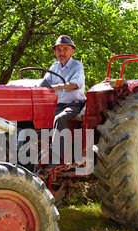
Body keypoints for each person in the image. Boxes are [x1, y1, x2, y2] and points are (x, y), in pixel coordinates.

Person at [45, 35, 86, 164]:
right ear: (55, 52)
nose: (62, 52)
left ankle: (55, 158)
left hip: (73, 104)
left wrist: (55, 87)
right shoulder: (54, 67)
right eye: (59, 49)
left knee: (60, 118)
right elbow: (44, 82)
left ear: (72, 51)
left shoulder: (77, 66)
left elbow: (75, 84)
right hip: (56, 105)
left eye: (65, 49)